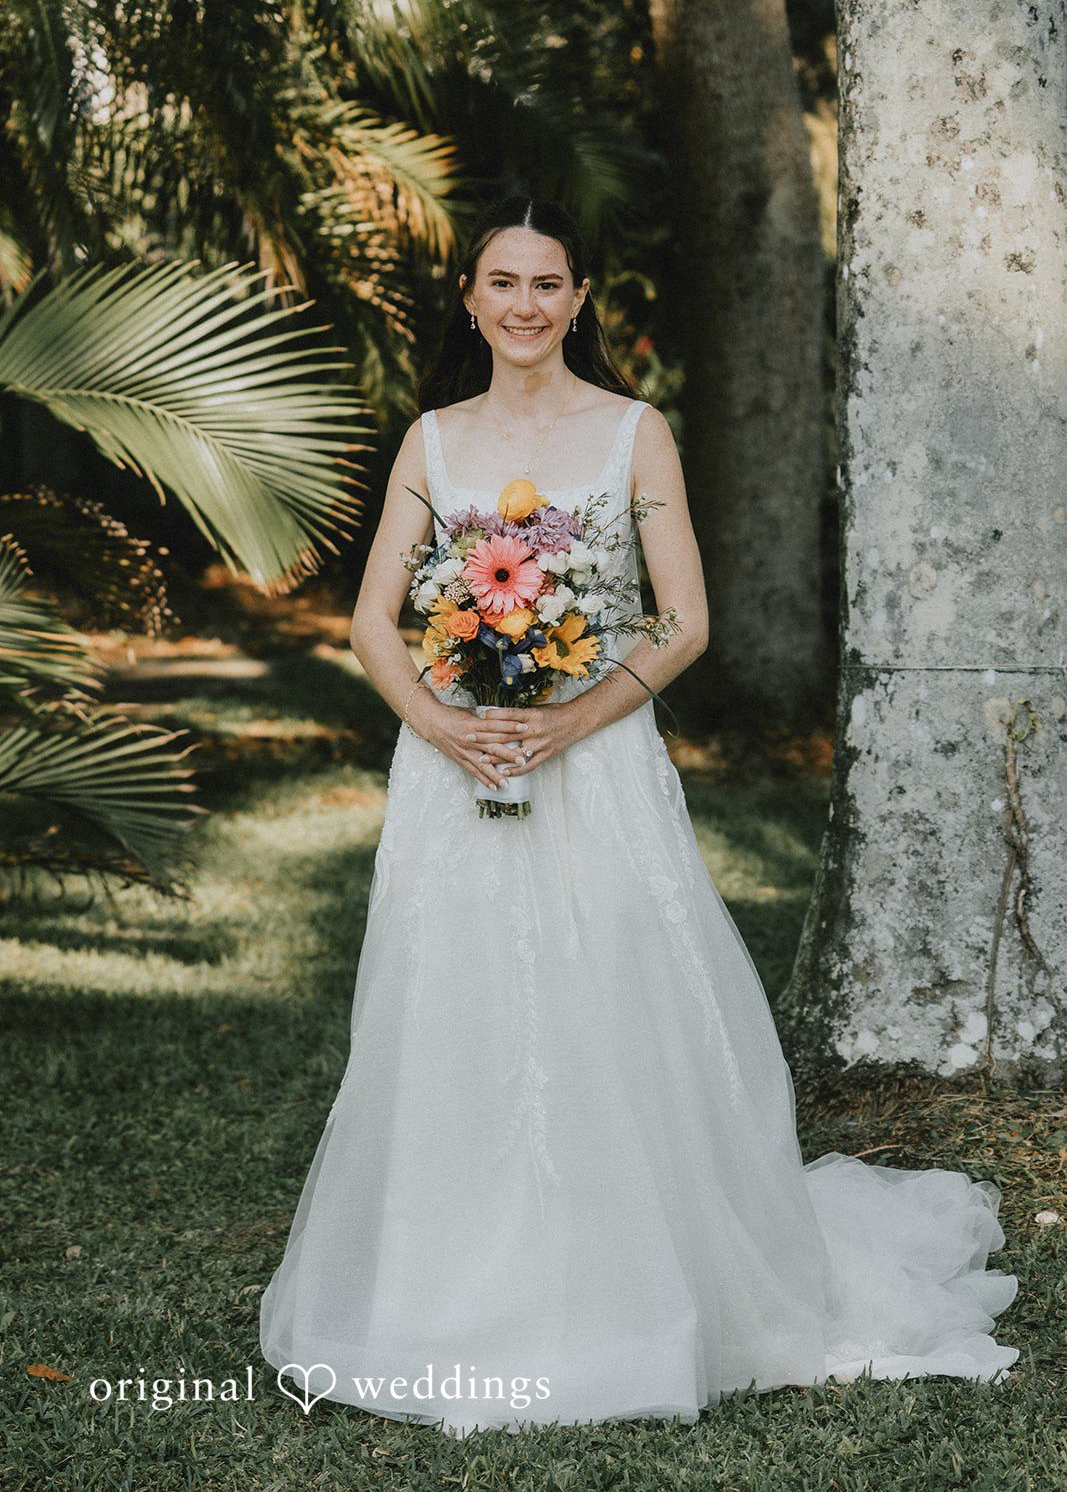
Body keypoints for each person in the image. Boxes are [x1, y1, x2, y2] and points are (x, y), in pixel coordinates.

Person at [259, 195, 1020, 1435]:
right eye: (501, 282)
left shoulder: (630, 434)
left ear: (578, 298)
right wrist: (444, 724)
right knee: (445, 1003)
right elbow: (367, 617)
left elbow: (682, 619)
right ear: (469, 296)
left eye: (547, 284)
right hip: (456, 768)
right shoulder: (432, 440)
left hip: (594, 762)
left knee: (609, 993)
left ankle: (642, 1288)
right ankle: (444, 1295)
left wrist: (573, 716)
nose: (523, 305)